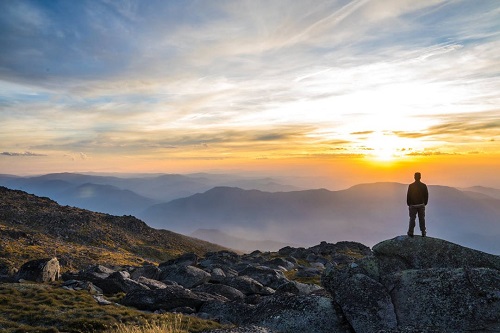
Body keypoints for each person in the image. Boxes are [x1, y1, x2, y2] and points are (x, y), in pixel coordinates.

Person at [406, 172, 428, 237]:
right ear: (420, 177)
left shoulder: (411, 186)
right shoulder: (424, 186)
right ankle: (423, 232)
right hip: (421, 204)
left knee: (412, 219)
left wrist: (409, 204)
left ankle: (410, 232)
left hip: (413, 205)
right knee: (422, 219)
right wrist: (425, 203)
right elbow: (426, 195)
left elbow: (408, 195)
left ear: (414, 177)